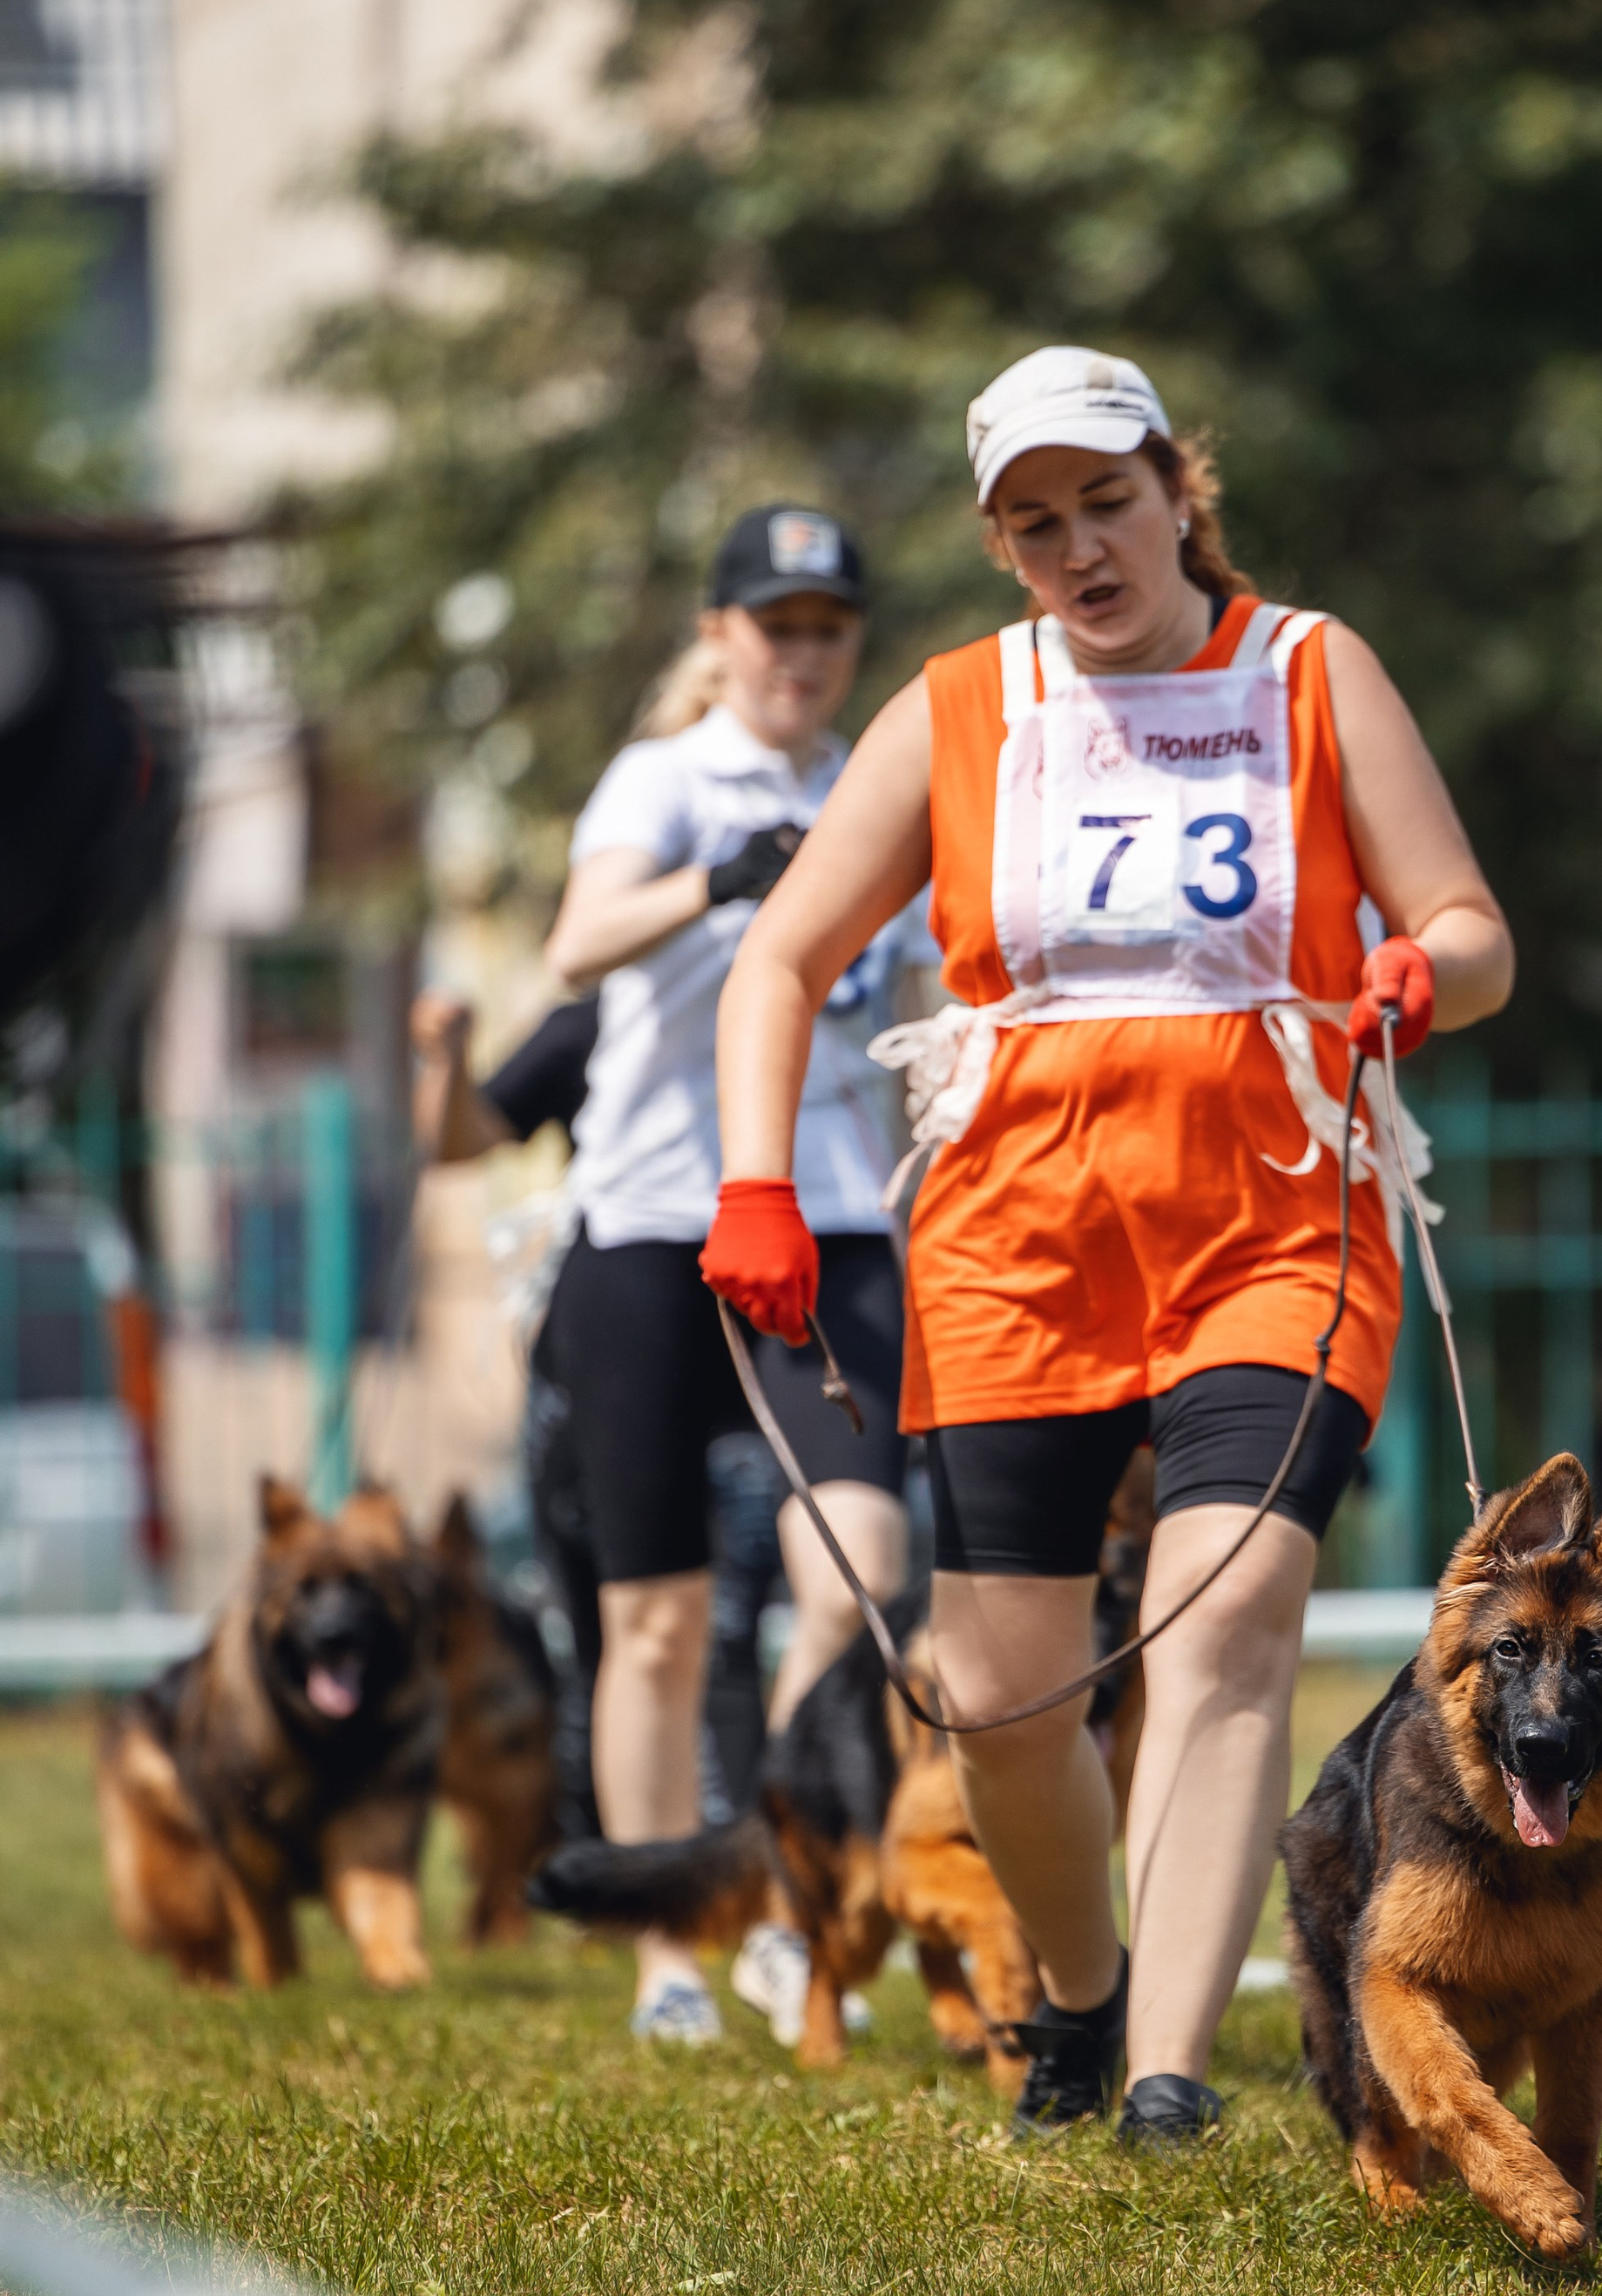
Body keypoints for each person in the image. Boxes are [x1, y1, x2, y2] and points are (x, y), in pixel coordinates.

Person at [700, 347, 1513, 2139]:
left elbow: (1468, 925)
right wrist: (754, 1180)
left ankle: (1165, 2072)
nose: (1080, 548)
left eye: (1106, 503)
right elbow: (777, 958)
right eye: (1033, 522)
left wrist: (1417, 973)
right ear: (1001, 548)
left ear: (1175, 490)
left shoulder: (1310, 669)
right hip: (1014, 1231)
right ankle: (1077, 1998)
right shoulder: (954, 708)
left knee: (1225, 1627)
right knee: (998, 1701)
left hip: (1274, 1202)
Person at [538, 505, 917, 2042]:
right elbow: (574, 946)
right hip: (647, 1226)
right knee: (657, 1619)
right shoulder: (664, 777)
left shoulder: (875, 783)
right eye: (775, 625)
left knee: (859, 1575)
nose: (802, 655)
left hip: (831, 1218)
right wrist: (717, 882)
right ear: (718, 636)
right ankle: (665, 1953)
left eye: (828, 628)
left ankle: (768, 1892)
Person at [405, 984, 788, 1849]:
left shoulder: (807, 1009)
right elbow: (456, 1139)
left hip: (751, 1367)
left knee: (728, 1631)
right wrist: (448, 1053)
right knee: (604, 1629)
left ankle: (745, 1871)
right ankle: (609, 1864)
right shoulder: (606, 1018)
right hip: (607, 1360)